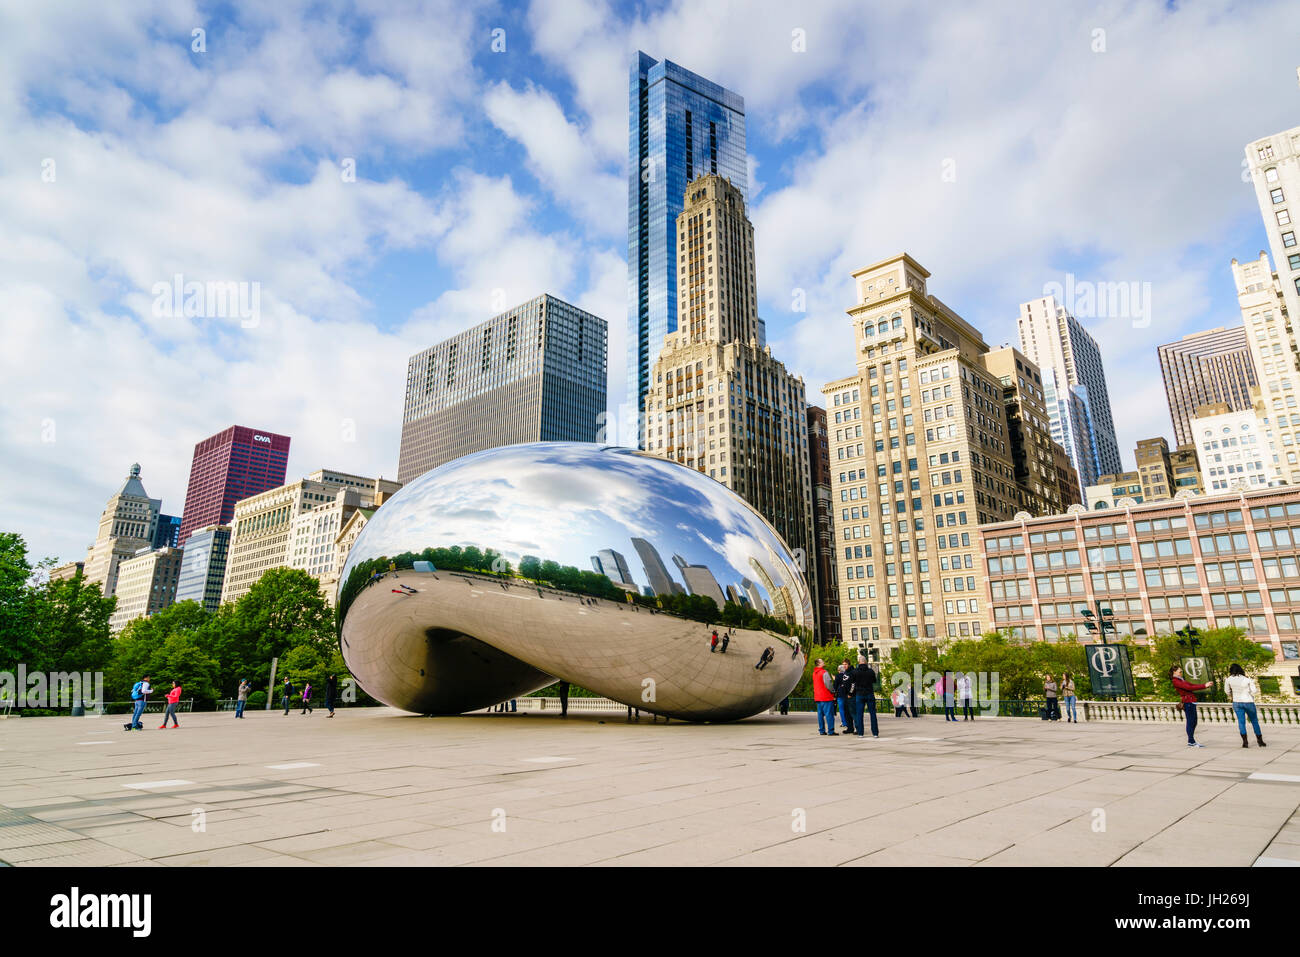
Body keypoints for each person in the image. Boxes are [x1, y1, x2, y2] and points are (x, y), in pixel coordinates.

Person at [1170, 665, 1213, 748]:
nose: (1181, 673)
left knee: (1194, 721)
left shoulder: (1181, 679)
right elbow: (1188, 687)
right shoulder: (1175, 681)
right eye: (1180, 671)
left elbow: (1191, 685)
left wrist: (1205, 684)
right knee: (1190, 722)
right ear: (1174, 672)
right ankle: (1191, 741)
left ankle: (1191, 740)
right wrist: (1204, 686)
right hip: (1187, 702)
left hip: (1191, 701)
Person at [1226, 663, 1266, 748]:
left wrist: (1232, 694)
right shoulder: (1247, 679)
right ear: (1240, 669)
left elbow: (1227, 691)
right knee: (1254, 721)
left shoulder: (1228, 679)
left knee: (1241, 722)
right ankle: (1260, 741)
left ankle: (1245, 742)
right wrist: (1249, 694)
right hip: (1248, 701)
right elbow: (1254, 691)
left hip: (1236, 702)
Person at [852, 654, 879, 738]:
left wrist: (850, 693)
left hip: (859, 694)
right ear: (866, 662)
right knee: (873, 714)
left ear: (859, 662)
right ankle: (875, 733)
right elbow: (874, 681)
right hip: (869, 693)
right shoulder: (870, 671)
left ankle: (860, 733)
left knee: (859, 714)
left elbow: (852, 683)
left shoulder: (855, 671)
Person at [813, 658, 837, 736]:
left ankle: (822, 730)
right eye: (822, 661)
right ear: (819, 663)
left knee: (820, 715)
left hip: (818, 697)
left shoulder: (814, 673)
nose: (824, 662)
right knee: (829, 714)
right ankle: (831, 731)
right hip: (826, 696)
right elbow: (829, 684)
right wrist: (833, 691)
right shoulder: (824, 673)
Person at [834, 661, 856, 735]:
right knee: (847, 713)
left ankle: (858, 728)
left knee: (853, 713)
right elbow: (845, 682)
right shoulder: (845, 673)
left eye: (845, 664)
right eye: (843, 665)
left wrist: (850, 693)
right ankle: (850, 728)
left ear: (849, 664)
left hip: (851, 696)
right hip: (845, 695)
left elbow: (853, 684)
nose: (844, 666)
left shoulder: (852, 672)